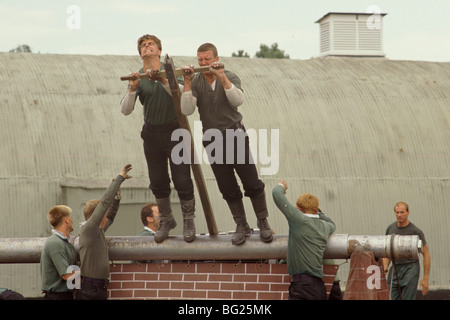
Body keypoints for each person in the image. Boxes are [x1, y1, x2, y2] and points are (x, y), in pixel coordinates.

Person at [181, 42, 272, 245]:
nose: (203, 63)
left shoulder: (230, 76)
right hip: (212, 139)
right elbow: (187, 110)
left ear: (216, 59)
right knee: (226, 185)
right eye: (200, 60)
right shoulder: (196, 81)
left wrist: (221, 77)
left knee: (251, 181)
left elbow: (237, 100)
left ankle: (263, 221)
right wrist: (187, 83)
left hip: (234, 133)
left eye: (207, 59)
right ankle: (241, 224)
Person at [121, 34, 196, 243]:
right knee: (158, 180)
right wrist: (132, 88)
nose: (147, 47)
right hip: (152, 133)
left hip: (176, 131)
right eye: (143, 46)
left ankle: (189, 219)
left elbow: (181, 96)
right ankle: (166, 219)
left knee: (182, 178)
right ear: (140, 53)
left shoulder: (172, 71)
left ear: (159, 51)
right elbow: (125, 110)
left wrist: (163, 79)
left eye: (150, 44)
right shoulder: (138, 77)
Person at [76, 164, 132, 300]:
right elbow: (104, 203)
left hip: (96, 286)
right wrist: (120, 178)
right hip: (91, 287)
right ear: (98, 215)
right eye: (103, 214)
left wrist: (117, 198)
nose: (106, 215)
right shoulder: (90, 230)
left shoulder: (96, 231)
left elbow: (111, 215)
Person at [272, 181, 335, 300]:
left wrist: (282, 186)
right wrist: (319, 214)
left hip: (301, 287)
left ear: (299, 210)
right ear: (315, 210)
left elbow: (277, 194)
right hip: (318, 288)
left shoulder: (299, 220)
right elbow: (332, 223)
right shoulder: (325, 227)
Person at [383, 201, 430, 300]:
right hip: (396, 267)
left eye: (402, 212)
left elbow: (426, 253)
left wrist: (425, 279)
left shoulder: (415, 231)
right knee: (390, 296)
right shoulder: (390, 229)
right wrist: (385, 265)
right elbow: (387, 251)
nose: (399, 215)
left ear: (408, 212)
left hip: (410, 268)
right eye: (397, 212)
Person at [40, 205, 78, 300]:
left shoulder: (67, 244)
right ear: (66, 220)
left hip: (65, 295)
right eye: (70, 218)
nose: (72, 221)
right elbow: (67, 275)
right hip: (56, 296)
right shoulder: (55, 243)